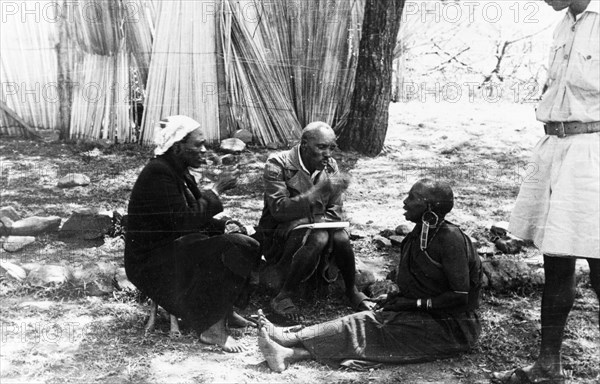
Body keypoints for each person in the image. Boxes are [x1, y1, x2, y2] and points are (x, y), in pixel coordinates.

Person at [257, 179, 482, 372]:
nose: (405, 202)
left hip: (454, 328)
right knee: (375, 327)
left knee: (367, 324)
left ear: (429, 207)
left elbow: (460, 296)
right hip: (428, 316)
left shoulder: (450, 239)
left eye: (412, 198)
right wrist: (397, 300)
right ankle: (289, 354)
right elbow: (422, 285)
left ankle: (292, 337)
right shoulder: (419, 234)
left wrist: (411, 304)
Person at [492, 1, 600, 383]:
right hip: (555, 148)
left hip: (593, 152)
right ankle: (547, 366)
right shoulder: (564, 24)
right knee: (556, 259)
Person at [124, 115, 260, 353]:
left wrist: (223, 226)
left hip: (171, 249)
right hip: (150, 263)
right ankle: (212, 329)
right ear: (177, 148)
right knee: (234, 247)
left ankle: (224, 312)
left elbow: (193, 214)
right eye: (198, 145)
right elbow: (184, 221)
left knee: (244, 243)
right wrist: (216, 190)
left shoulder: (177, 170)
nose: (205, 150)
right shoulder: (158, 173)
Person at [256, 122, 373, 322]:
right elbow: (279, 210)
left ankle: (351, 290)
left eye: (331, 147)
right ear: (304, 145)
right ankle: (284, 295)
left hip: (311, 227)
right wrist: (315, 194)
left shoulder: (330, 166)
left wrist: (305, 219)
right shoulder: (278, 164)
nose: (328, 153)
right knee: (319, 236)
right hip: (278, 234)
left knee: (340, 237)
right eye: (321, 147)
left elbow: (335, 210)